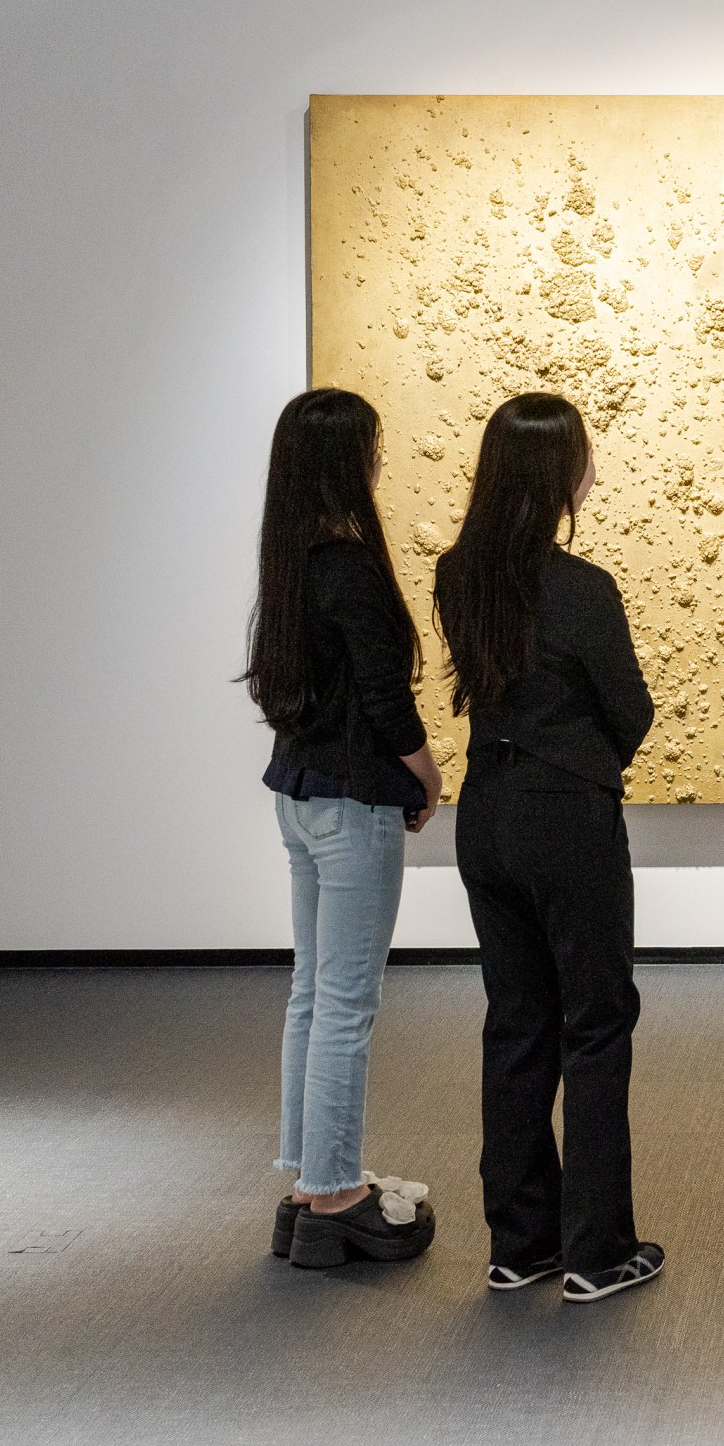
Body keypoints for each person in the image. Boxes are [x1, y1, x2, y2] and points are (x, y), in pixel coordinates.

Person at [434, 393, 663, 1304]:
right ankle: (596, 1249)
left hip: (484, 811)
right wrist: (588, 761)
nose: (593, 466)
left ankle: (520, 1239)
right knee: (597, 1021)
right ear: (558, 472)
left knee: (517, 1019)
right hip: (566, 813)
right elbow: (631, 709)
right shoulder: (583, 588)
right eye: (585, 453)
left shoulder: (459, 574)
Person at [244, 387, 443, 1268]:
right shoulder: (353, 564)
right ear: (345, 463)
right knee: (345, 1005)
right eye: (371, 448)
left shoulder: (289, 562)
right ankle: (335, 1195)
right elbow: (384, 696)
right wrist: (428, 771)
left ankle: (307, 1184)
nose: (378, 463)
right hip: (354, 801)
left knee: (312, 992)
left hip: (299, 794)